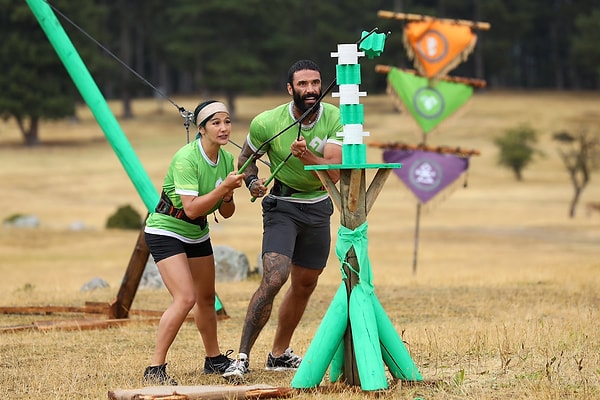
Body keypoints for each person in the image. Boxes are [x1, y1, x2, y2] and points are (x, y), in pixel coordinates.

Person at [223, 60, 343, 381]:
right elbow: (246, 158)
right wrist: (252, 182)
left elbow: (335, 174)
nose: (311, 90)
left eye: (315, 83)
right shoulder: (267, 122)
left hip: (318, 207)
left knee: (305, 284)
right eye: (302, 84)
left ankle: (278, 354)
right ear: (290, 89)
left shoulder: (335, 117)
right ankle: (242, 358)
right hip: (282, 206)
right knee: (276, 277)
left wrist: (307, 157)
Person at [143, 100, 246, 385]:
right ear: (201, 129)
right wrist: (224, 187)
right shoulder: (186, 158)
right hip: (166, 230)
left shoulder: (226, 159)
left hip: (197, 232)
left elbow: (226, 211)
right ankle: (155, 369)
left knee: (205, 298)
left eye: (227, 121)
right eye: (215, 123)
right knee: (185, 297)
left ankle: (213, 360)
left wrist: (227, 194)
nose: (224, 128)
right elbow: (190, 208)